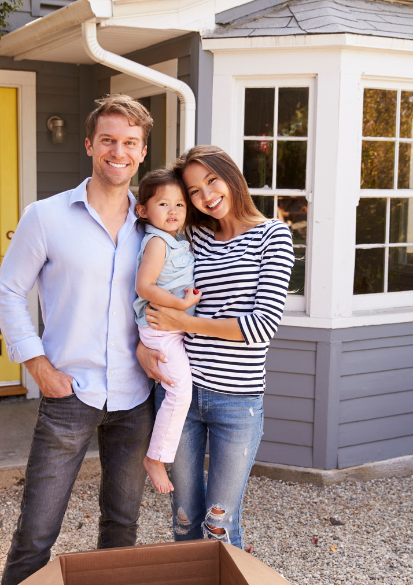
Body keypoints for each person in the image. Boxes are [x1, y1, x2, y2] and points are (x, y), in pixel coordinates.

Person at [0, 94, 162, 585]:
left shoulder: (152, 224)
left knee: (122, 526)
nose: (119, 151)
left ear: (142, 152)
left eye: (130, 143)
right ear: (90, 144)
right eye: (108, 140)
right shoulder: (46, 216)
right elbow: (8, 290)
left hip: (135, 397)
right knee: (37, 532)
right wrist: (37, 365)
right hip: (69, 393)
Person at [138, 145, 294, 551]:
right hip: (180, 394)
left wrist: (185, 322)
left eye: (211, 181)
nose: (205, 196)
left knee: (219, 522)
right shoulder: (193, 236)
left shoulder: (273, 236)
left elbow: (261, 327)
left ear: (231, 175)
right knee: (184, 517)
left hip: (237, 403)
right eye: (193, 191)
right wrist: (142, 348)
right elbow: (142, 272)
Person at [132, 168, 201, 494]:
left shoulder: (177, 240)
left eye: (180, 205)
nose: (173, 211)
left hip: (169, 328)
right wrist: (180, 304)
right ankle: (156, 458)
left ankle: (159, 455)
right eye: (163, 204)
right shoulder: (157, 242)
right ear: (143, 210)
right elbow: (144, 286)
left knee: (177, 388)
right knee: (180, 391)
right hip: (160, 329)